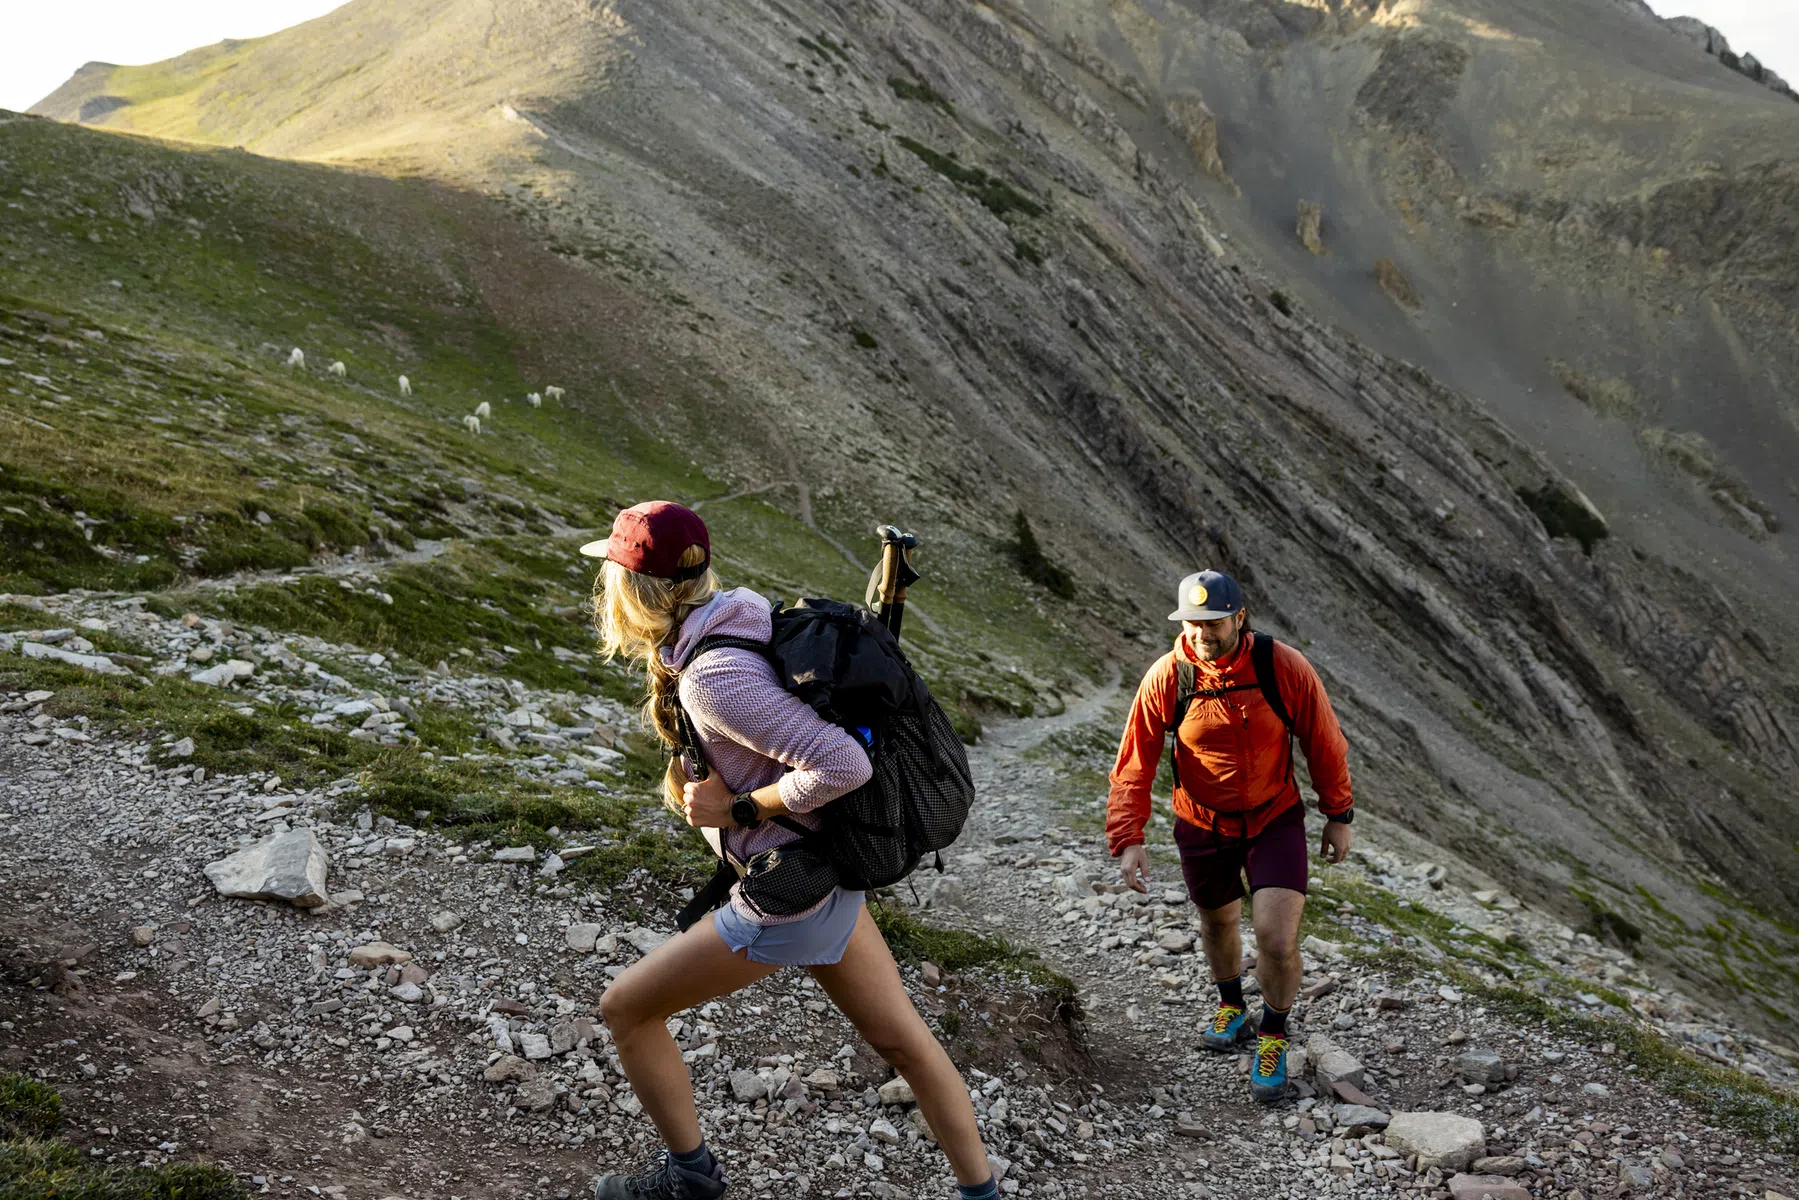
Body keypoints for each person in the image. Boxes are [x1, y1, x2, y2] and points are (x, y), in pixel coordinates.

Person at [583, 500, 997, 1200]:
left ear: (633, 588)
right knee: (905, 1044)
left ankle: (691, 1181)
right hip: (826, 878)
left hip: (789, 893)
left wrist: (737, 807)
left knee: (626, 1009)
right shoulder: (738, 615)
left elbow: (843, 767)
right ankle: (981, 1194)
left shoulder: (711, 676)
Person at [1105, 569, 1353, 1103]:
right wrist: (1128, 836)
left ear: (1239, 618)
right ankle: (1231, 1006)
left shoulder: (1282, 666)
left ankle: (1273, 1033)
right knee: (1218, 924)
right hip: (1200, 822)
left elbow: (1323, 739)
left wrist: (1338, 812)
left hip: (1273, 819)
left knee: (1277, 938)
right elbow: (1135, 760)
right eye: (1192, 623)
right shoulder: (1168, 677)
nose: (1202, 634)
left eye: (1212, 622)